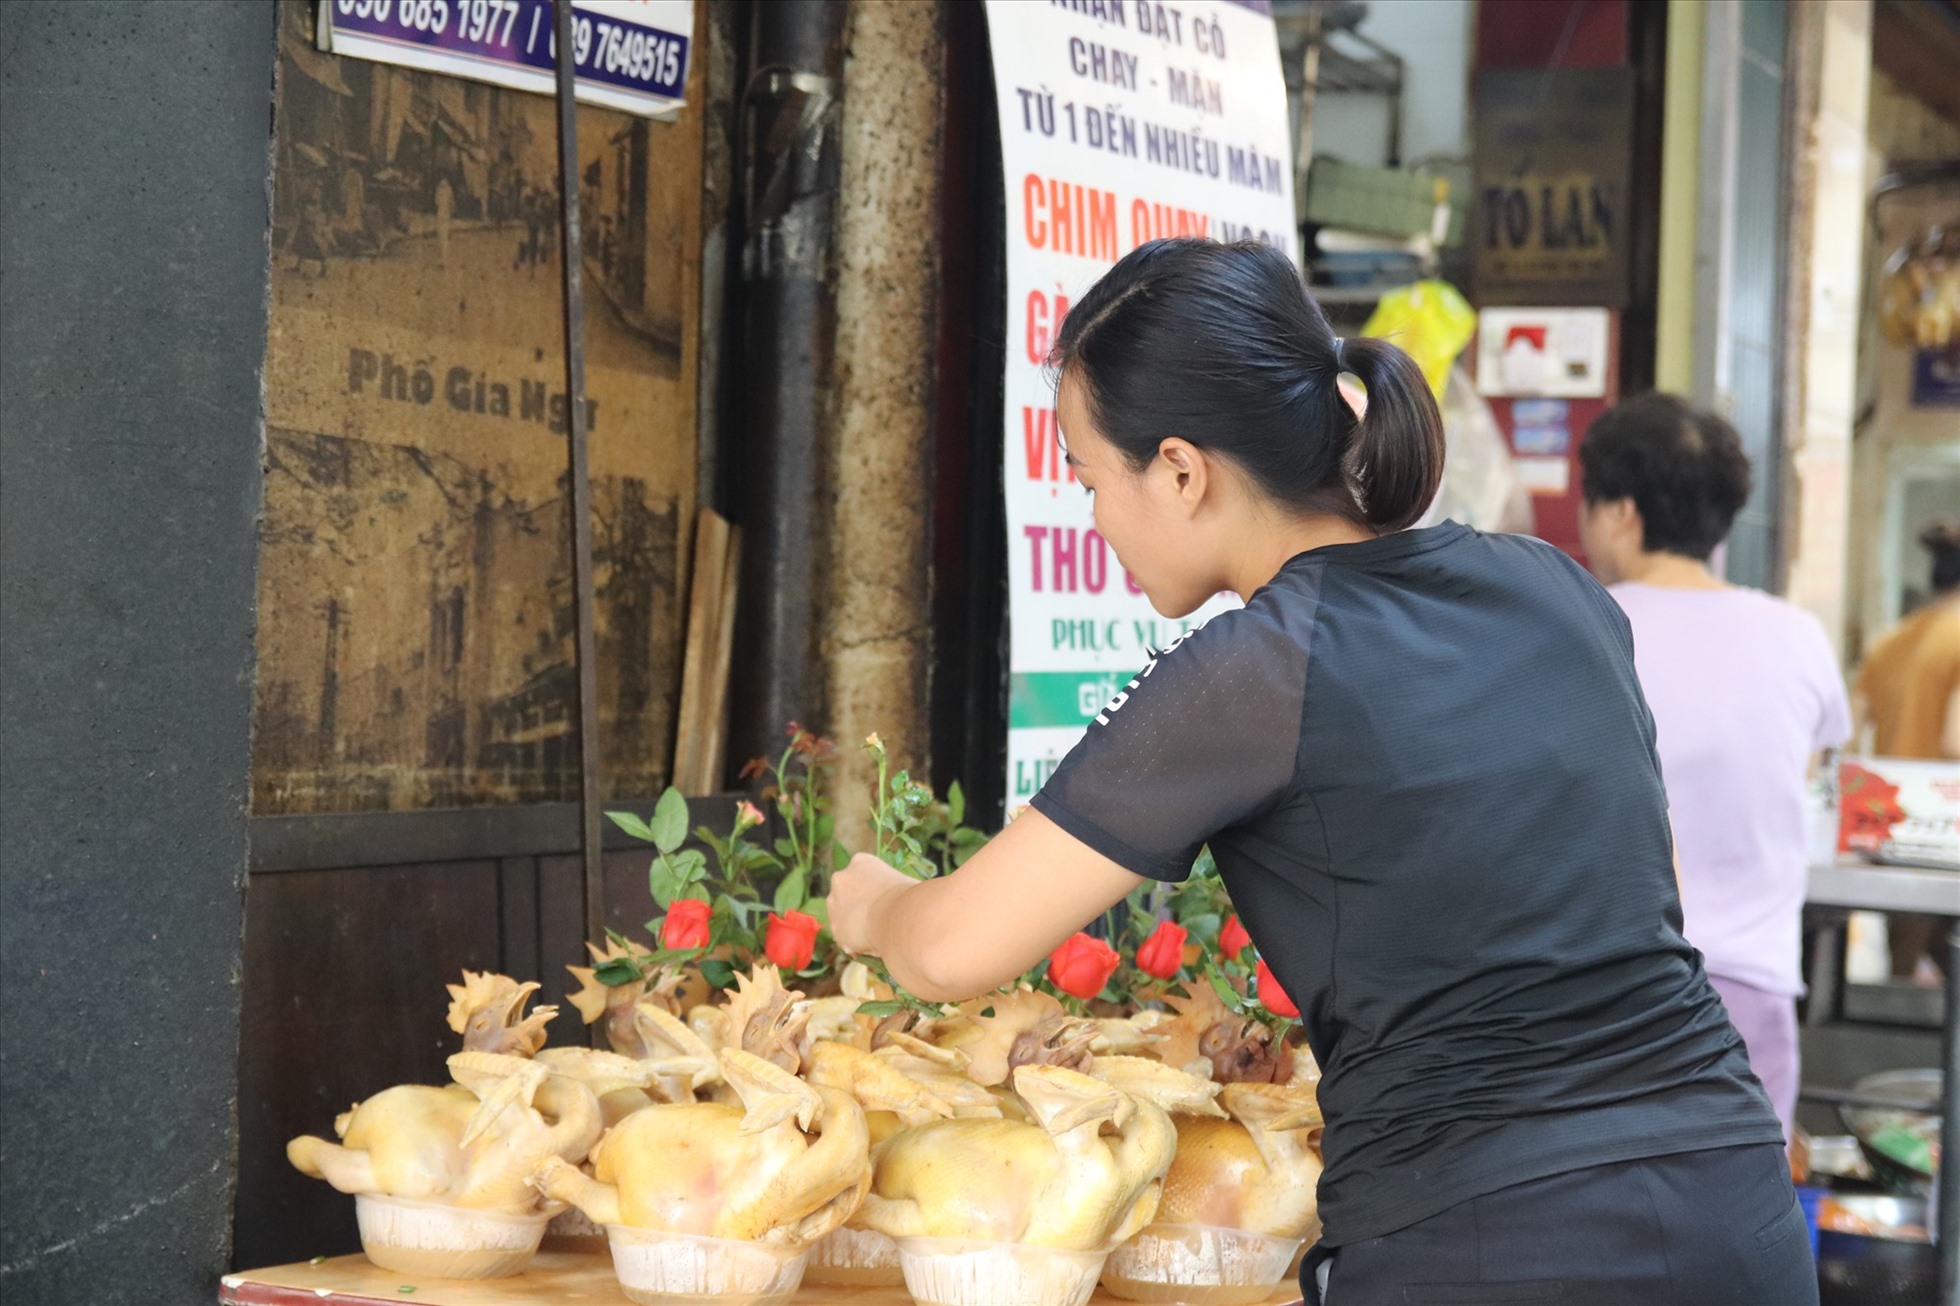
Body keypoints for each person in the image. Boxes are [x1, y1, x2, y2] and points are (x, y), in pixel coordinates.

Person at [828, 239, 1815, 1304]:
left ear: (1180, 468)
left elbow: (950, 946)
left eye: (1089, 477)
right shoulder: (1554, 585)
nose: (1096, 518)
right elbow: (1646, 882)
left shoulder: (1258, 668)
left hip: (1491, 1240)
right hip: (1733, 1200)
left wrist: (873, 904)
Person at [1576, 393, 1851, 1137]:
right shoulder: (1796, 636)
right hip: (1754, 995)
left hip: (1603, 996)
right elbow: (1815, 767)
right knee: (1746, 1228)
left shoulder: (1577, 628)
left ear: (1620, 514)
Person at [1852, 518, 1960, 981]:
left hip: (1891, 827)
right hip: (1948, 833)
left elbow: (1849, 734)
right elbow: (1956, 739)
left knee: (1904, 968)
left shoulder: (1888, 643)